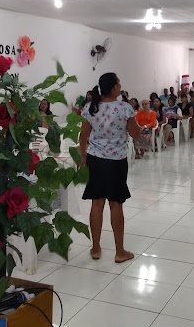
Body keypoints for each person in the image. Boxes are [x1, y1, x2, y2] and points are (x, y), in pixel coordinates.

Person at [79, 72, 139, 263]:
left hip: (95, 159)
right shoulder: (124, 108)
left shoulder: (90, 107)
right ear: (113, 87)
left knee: (97, 203)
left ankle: (96, 248)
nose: (120, 86)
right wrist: (135, 122)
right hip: (116, 161)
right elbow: (135, 133)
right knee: (116, 204)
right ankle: (119, 252)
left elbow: (83, 135)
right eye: (118, 83)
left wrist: (83, 156)